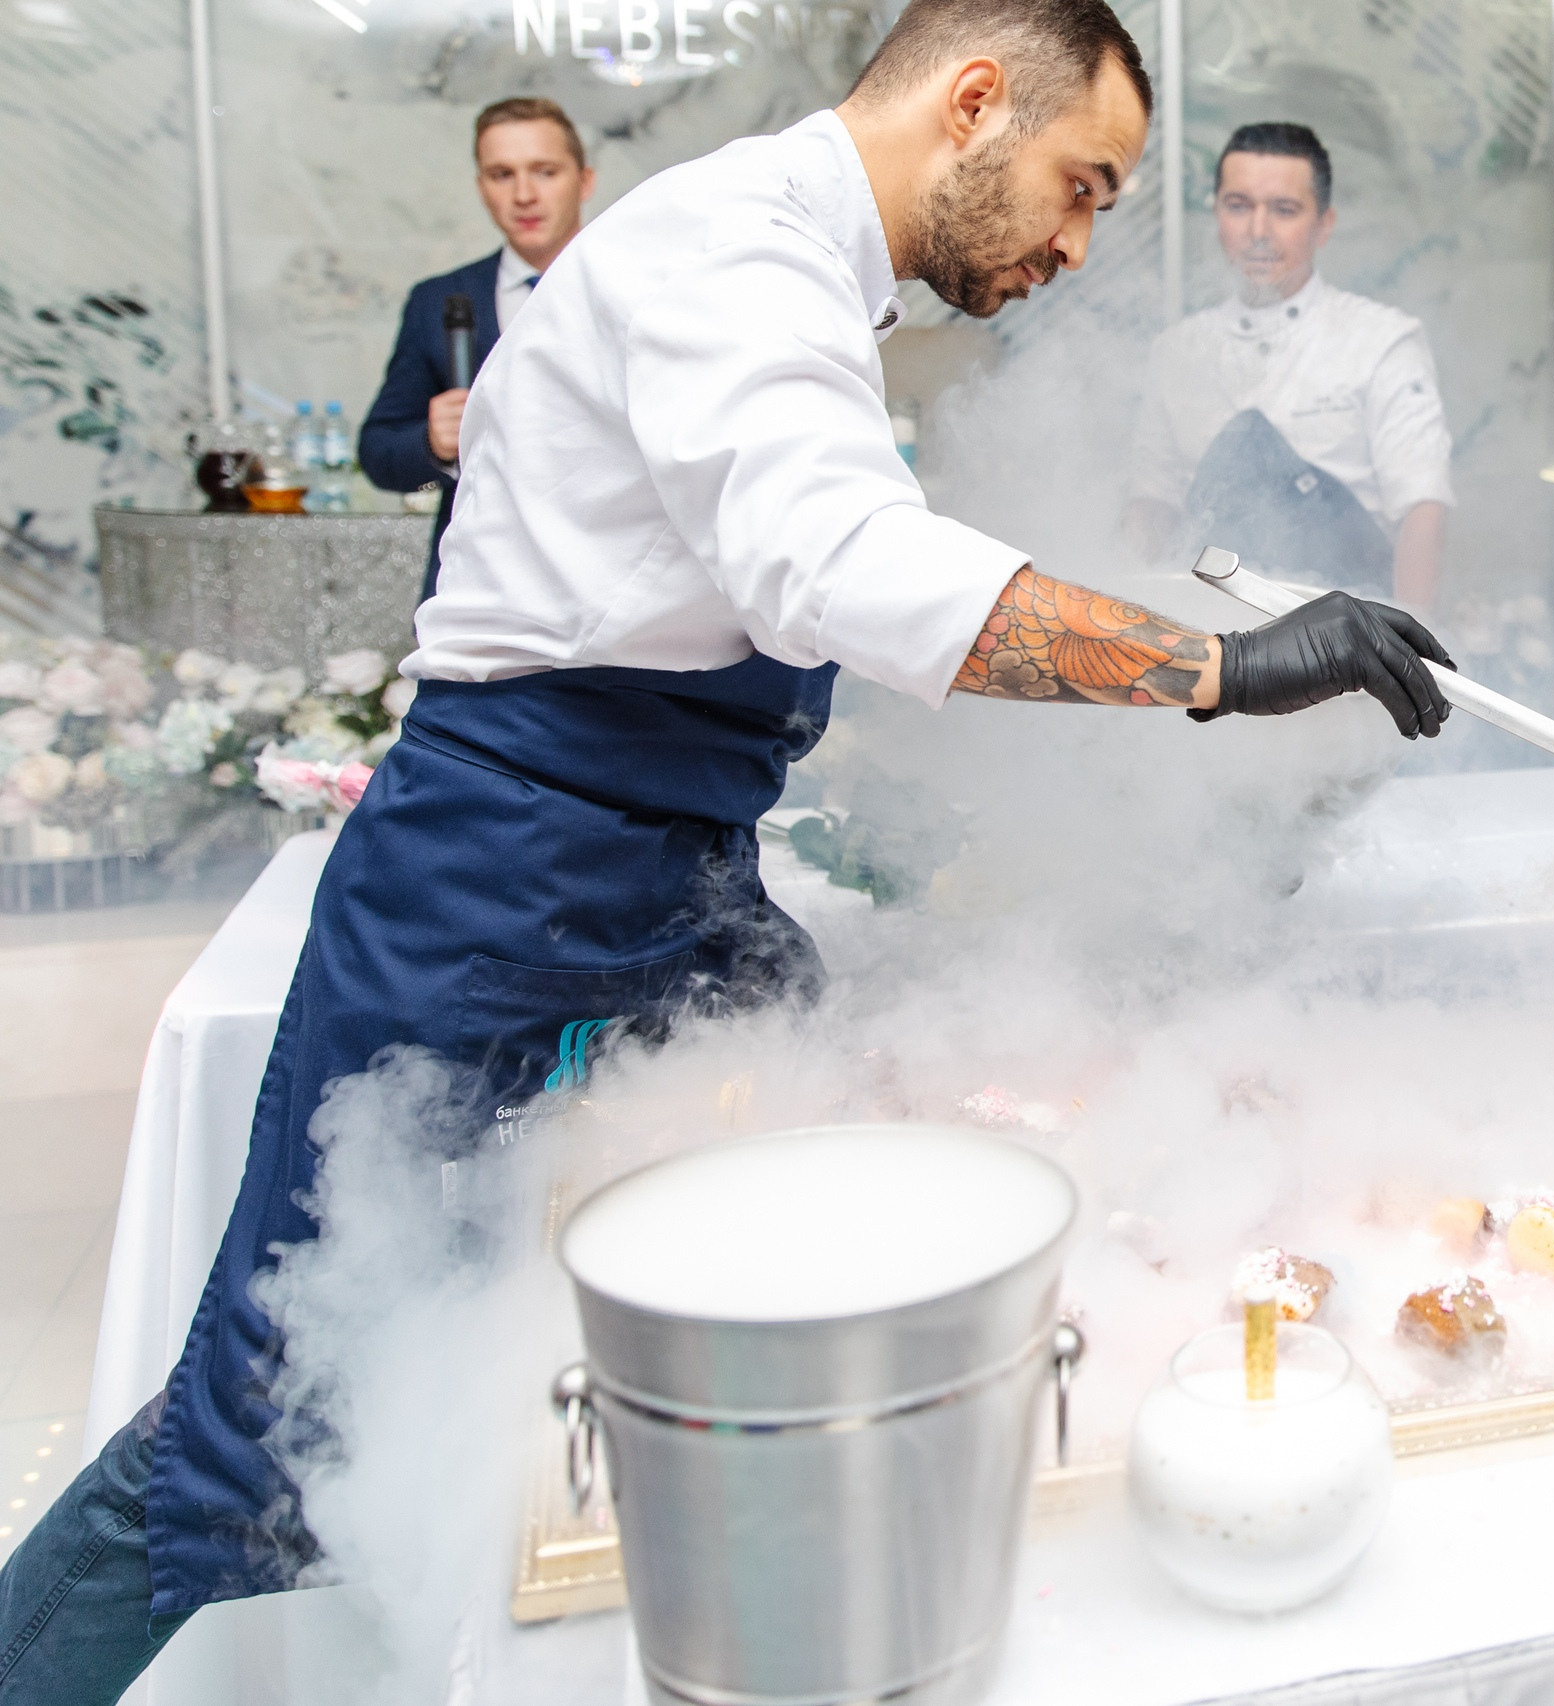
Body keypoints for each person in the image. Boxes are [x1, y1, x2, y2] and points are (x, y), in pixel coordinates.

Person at [0, 3, 1453, 1697]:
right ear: (974, 101)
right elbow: (835, 562)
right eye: (1080, 184)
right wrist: (1217, 666)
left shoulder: (809, 282)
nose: (1075, 240)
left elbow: (745, 596)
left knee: (735, 1242)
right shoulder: (730, 253)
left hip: (663, 875)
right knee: (271, 1428)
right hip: (501, 892)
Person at [1122, 122, 1454, 610]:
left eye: (1284, 210)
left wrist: (1408, 649)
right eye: (1239, 206)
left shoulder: (1382, 340)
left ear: (1324, 224)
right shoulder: (1176, 351)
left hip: (1349, 633)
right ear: (1216, 213)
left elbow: (1422, 508)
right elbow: (1151, 504)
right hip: (1209, 629)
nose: (1258, 231)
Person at [359, 97, 596, 604]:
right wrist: (433, 445)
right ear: (481, 188)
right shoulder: (438, 300)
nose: (525, 194)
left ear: (585, 180)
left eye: (545, 171)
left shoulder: (639, 285)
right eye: (501, 174)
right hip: (482, 589)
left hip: (614, 580)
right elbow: (378, 453)